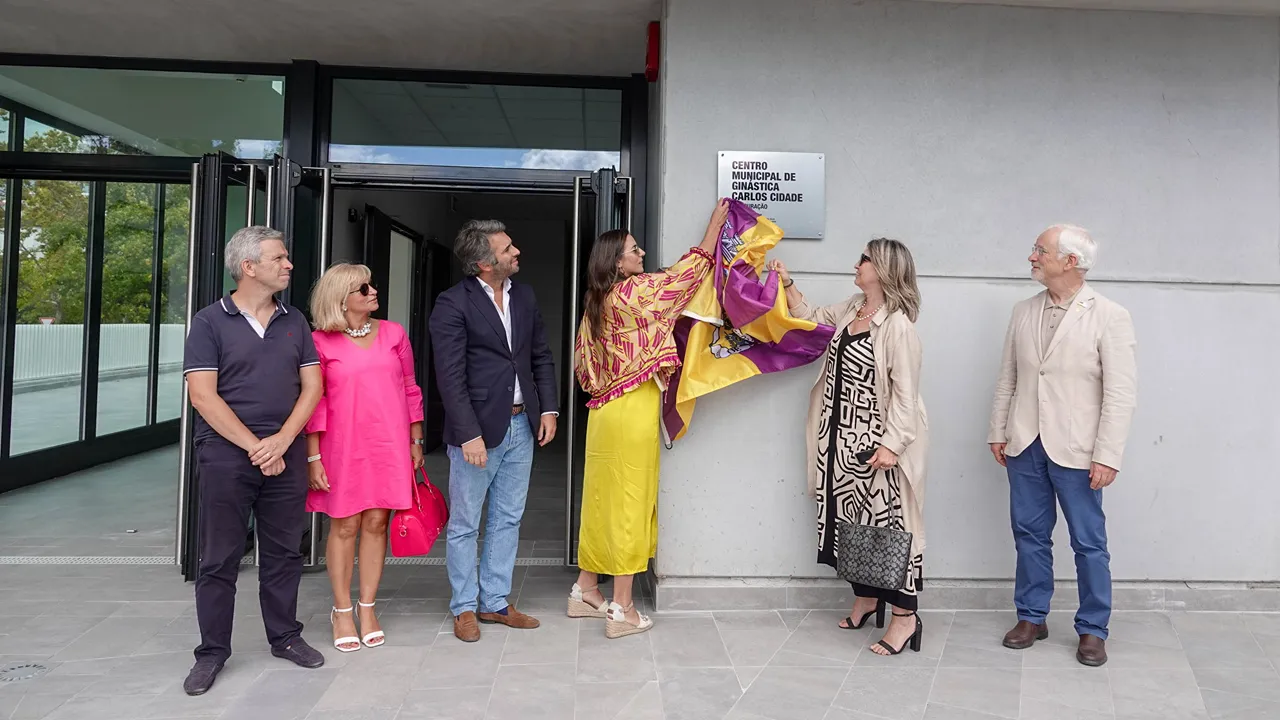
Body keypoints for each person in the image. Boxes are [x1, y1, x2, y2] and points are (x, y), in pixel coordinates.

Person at [569, 199, 729, 639]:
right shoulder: (633, 293)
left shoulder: (594, 305)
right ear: (616, 263)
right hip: (632, 407)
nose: (642, 255)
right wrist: (713, 228)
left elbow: (583, 369)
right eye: (634, 251)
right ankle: (622, 608)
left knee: (602, 500)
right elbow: (684, 278)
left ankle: (586, 589)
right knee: (631, 502)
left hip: (602, 412)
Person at [180, 226, 325, 696]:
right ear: (249, 267)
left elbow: (313, 387)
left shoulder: (294, 320)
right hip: (227, 456)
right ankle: (212, 653)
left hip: (284, 453)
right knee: (219, 557)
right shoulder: (208, 322)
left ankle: (285, 637)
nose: (288, 265)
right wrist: (255, 447)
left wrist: (282, 441)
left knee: (284, 552)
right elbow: (203, 396)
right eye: (279, 258)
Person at [771, 238, 930, 656]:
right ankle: (866, 597)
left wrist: (893, 445)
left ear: (882, 268)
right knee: (849, 524)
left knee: (891, 530)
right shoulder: (852, 308)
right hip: (837, 442)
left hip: (879, 447)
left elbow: (906, 395)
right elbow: (811, 321)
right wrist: (788, 285)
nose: (857, 264)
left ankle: (905, 619)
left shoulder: (897, 325)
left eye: (864, 259)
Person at [988, 224, 1136, 667]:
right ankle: (1032, 616)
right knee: (1029, 534)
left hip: (1078, 449)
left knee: (1088, 542)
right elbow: (1008, 378)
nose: (1032, 256)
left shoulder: (1109, 315)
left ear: (1070, 261)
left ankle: (1093, 628)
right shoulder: (1022, 311)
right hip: (1025, 442)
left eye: (1040, 250)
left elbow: (1120, 392)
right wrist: (999, 429)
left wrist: (1108, 454)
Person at [429, 220, 559, 643]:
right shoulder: (452, 304)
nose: (516, 251)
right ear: (484, 263)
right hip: (477, 431)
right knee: (466, 522)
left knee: (508, 518)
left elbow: (540, 354)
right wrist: (468, 434)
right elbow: (449, 377)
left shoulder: (523, 295)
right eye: (507, 249)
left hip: (523, 423)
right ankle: (464, 607)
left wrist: (549, 408)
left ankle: (495, 602)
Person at [304, 263, 425, 652]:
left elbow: (410, 387)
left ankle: (368, 607)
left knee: (377, 522)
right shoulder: (319, 342)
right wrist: (313, 457)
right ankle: (341, 610)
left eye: (371, 285)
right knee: (344, 526)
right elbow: (314, 401)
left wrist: (416, 439)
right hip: (341, 447)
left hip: (389, 443)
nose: (374, 291)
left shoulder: (393, 333)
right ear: (341, 299)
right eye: (363, 288)